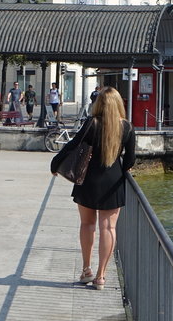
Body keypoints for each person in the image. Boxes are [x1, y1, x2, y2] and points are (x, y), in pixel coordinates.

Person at [49, 86, 136, 290]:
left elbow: (72, 145)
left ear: (99, 104)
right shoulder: (127, 128)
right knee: (109, 227)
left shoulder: (92, 123)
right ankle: (101, 276)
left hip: (88, 180)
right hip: (113, 182)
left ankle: (86, 268)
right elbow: (130, 160)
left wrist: (55, 164)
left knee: (87, 224)